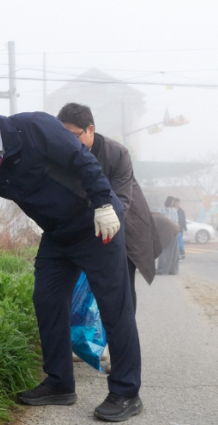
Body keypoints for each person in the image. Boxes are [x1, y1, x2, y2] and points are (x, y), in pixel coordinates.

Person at [0, 98, 142, 423]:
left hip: (95, 224)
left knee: (115, 307)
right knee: (47, 300)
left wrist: (103, 202)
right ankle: (59, 383)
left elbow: (81, 159)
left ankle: (126, 392)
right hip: (58, 235)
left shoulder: (33, 127)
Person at [57, 103, 162, 313]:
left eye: (74, 136)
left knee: (122, 287)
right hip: (87, 225)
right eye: (63, 136)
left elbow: (121, 201)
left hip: (125, 223)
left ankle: (125, 335)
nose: (68, 142)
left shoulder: (117, 154)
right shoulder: (63, 154)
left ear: (90, 130)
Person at [157, 196, 180, 274]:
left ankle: (172, 270)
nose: (173, 203)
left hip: (173, 231)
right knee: (165, 251)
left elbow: (176, 219)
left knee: (174, 252)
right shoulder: (162, 210)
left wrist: (176, 225)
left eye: (173, 202)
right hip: (165, 232)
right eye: (172, 201)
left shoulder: (174, 210)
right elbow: (161, 219)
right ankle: (162, 270)